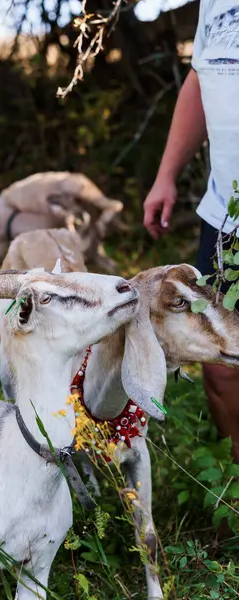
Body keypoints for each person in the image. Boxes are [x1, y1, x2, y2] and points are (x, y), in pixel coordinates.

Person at [143, 0, 239, 461]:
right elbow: (202, 80)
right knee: (221, 363)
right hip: (225, 220)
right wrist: (167, 174)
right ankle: (234, 489)